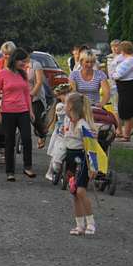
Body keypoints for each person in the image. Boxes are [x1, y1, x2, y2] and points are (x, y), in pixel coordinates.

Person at [0, 48, 36, 181]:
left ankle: (27, 167)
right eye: (21, 61)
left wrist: (31, 111)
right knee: (9, 142)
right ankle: (10, 171)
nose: (24, 63)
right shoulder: (1, 74)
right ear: (14, 60)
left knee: (27, 139)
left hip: (23, 111)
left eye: (25, 61)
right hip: (7, 112)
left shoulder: (24, 74)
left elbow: (26, 94)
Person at [61, 92, 96, 236]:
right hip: (70, 160)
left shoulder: (83, 126)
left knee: (81, 191)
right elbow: (63, 140)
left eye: (66, 104)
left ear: (71, 107)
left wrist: (93, 167)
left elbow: (91, 147)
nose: (64, 106)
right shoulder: (67, 122)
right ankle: (79, 225)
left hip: (81, 160)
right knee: (74, 192)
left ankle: (91, 223)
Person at [111, 41, 133, 141]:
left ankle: (126, 136)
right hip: (131, 86)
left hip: (127, 87)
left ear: (122, 50)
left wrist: (113, 74)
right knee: (129, 110)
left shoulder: (129, 61)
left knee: (126, 112)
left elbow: (117, 75)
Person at [44, 84, 72, 182]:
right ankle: (50, 172)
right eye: (65, 95)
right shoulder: (60, 106)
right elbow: (65, 114)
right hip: (59, 133)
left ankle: (61, 172)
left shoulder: (68, 105)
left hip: (67, 132)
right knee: (55, 153)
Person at [28, 54, 48, 147]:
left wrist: (32, 94)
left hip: (36, 97)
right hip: (21, 97)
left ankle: (42, 134)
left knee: (35, 118)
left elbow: (39, 82)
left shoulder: (35, 65)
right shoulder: (17, 64)